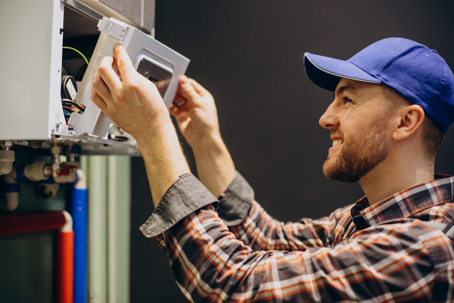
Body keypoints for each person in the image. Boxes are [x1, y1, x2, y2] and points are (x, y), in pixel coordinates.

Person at [91, 37, 454, 302]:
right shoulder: (368, 221)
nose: (326, 118)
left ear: (406, 122)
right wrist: (205, 141)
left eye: (347, 99)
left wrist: (154, 132)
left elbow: (231, 284)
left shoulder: (424, 248)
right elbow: (266, 238)